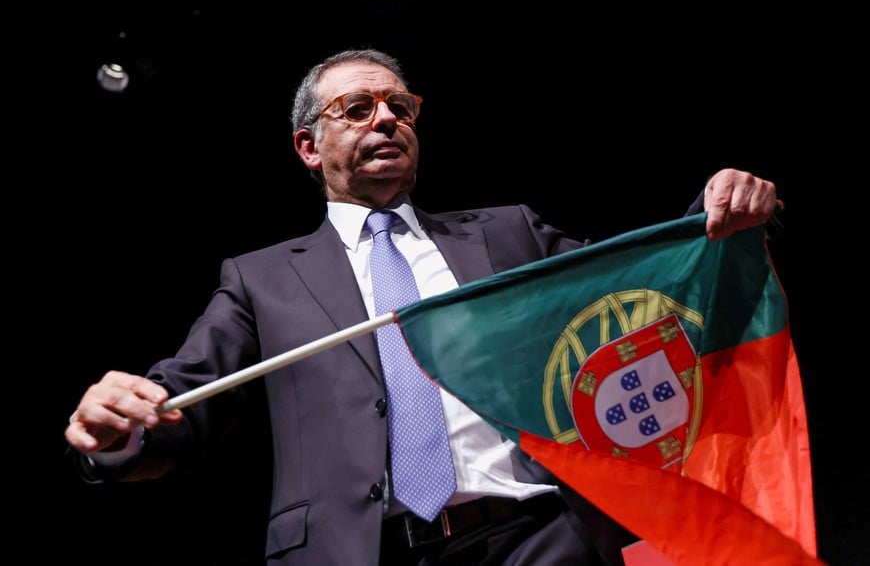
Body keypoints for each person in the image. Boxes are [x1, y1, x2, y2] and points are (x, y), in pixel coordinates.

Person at [65, 48, 781, 565]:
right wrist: (119, 430)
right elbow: (182, 404)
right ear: (309, 147)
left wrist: (714, 219)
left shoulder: (509, 232)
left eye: (400, 107)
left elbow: (636, 295)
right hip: (359, 551)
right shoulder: (261, 280)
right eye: (357, 109)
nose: (387, 119)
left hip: (539, 538)